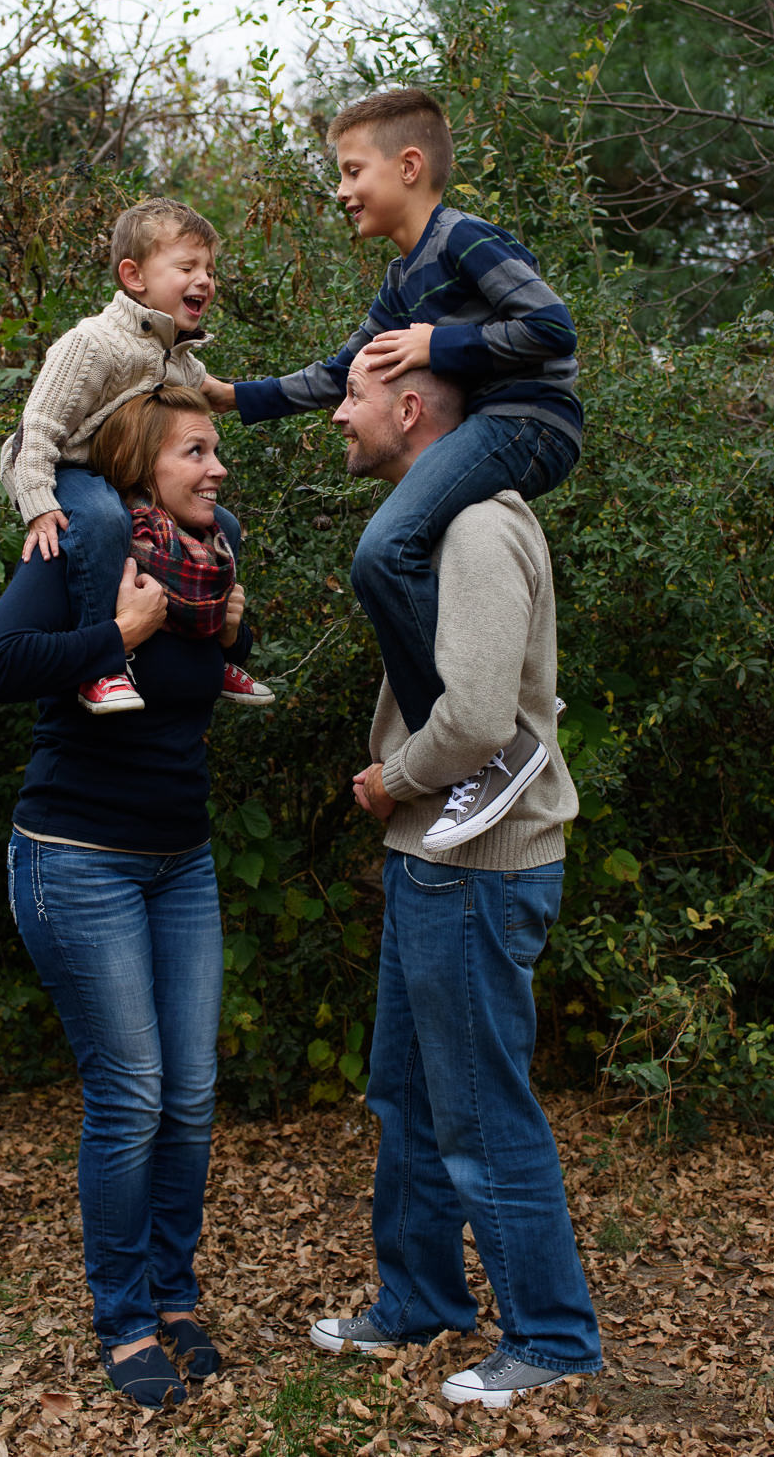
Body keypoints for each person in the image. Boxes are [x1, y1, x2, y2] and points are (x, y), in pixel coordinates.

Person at [308, 349, 602, 1409]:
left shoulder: (476, 526)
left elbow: (478, 718)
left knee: (479, 1112)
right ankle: (418, 1299)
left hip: (475, 864)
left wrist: (394, 776)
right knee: (405, 1096)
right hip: (431, 860)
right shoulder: (443, 525)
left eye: (350, 397)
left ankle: (552, 1335)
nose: (338, 415)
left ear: (409, 404)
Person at [0, 386, 250, 1409]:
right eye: (194, 453)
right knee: (129, 1099)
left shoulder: (211, 564)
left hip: (182, 859)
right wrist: (118, 632)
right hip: (76, 858)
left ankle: (174, 1298)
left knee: (189, 1096)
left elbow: (209, 681)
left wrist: (220, 631)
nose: (216, 468)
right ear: (140, 464)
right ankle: (124, 1317)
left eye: (217, 451)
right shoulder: (83, 560)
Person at [205, 88, 580, 849]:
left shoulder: (464, 240)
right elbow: (344, 371)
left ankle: (492, 750)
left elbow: (549, 325)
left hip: (527, 423)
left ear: (409, 167)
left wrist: (435, 347)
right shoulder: (400, 280)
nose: (340, 191)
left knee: (383, 551)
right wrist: (229, 397)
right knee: (404, 555)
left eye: (351, 171)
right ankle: (481, 724)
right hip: (484, 429)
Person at [0, 195, 273, 713]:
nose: (205, 280)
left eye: (210, 270)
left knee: (225, 526)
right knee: (103, 519)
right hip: (62, 465)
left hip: (116, 476)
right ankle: (101, 665)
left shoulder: (180, 358)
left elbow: (217, 391)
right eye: (187, 266)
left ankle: (211, 654)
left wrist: (302, 392)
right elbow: (37, 426)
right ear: (134, 275)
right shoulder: (95, 342)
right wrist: (37, 502)